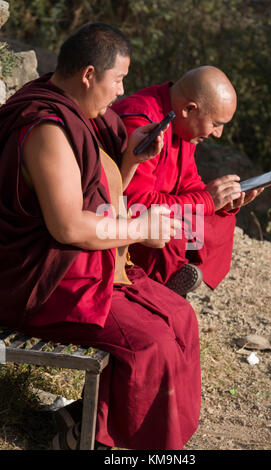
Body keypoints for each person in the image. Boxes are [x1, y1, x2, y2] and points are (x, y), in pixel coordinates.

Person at [0, 24, 201, 450]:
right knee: (151, 344)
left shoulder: (85, 115)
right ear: (88, 74)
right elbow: (68, 226)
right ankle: (117, 447)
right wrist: (140, 229)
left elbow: (100, 191)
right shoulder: (48, 130)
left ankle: (84, 427)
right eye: (119, 79)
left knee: (180, 317)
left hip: (80, 263)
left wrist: (129, 160)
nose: (121, 91)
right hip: (42, 279)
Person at [112, 67, 264, 295]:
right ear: (189, 109)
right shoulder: (146, 124)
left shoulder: (183, 125)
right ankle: (163, 282)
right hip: (122, 217)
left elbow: (188, 181)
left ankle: (182, 270)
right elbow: (134, 203)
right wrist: (205, 199)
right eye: (216, 124)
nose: (218, 133)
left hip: (158, 205)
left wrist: (222, 200)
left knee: (220, 219)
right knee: (173, 234)